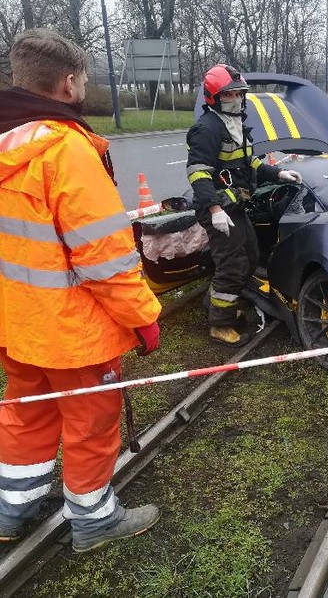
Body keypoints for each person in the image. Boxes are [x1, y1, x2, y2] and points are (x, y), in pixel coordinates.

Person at [0, 29, 162, 552]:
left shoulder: (6, 142)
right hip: (73, 328)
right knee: (91, 419)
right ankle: (93, 518)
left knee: (27, 409)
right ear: (69, 83)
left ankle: (11, 508)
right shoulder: (66, 150)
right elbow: (105, 258)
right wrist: (143, 316)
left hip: (16, 323)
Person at [187, 64, 302, 347]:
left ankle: (219, 303)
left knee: (250, 256)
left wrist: (277, 173)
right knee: (232, 264)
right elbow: (198, 173)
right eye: (230, 94)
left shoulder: (235, 123)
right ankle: (220, 324)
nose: (237, 98)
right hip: (217, 209)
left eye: (240, 93)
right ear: (214, 97)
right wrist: (214, 209)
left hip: (234, 205)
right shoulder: (206, 129)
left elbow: (247, 162)